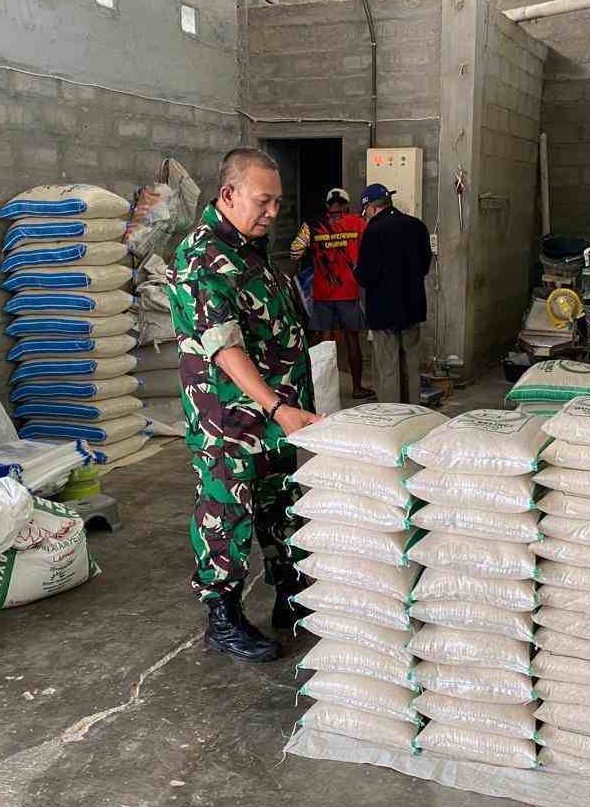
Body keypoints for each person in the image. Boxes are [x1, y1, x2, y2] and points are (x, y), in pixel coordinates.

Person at [166, 148, 321, 664]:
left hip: (275, 415)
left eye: (277, 202)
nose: (273, 212)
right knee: (225, 512)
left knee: (281, 505)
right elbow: (225, 348)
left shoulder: (252, 249)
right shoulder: (201, 257)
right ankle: (223, 618)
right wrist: (277, 407)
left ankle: (291, 595)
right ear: (228, 194)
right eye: (263, 201)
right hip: (230, 421)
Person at [290, 187, 375, 400]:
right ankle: (357, 388)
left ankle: (324, 392)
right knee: (352, 340)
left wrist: (315, 252)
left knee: (325, 342)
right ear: (346, 204)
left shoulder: (313, 225)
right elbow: (370, 250)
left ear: (328, 205)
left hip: (323, 293)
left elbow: (294, 252)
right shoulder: (358, 223)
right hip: (349, 292)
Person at [353, 183, 432, 404]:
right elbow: (425, 266)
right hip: (413, 308)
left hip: (384, 312)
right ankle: (414, 412)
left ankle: (391, 415)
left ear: (371, 207)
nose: (366, 216)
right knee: (411, 366)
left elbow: (365, 276)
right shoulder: (417, 226)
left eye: (366, 211)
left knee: (388, 368)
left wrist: (357, 270)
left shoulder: (373, 231)